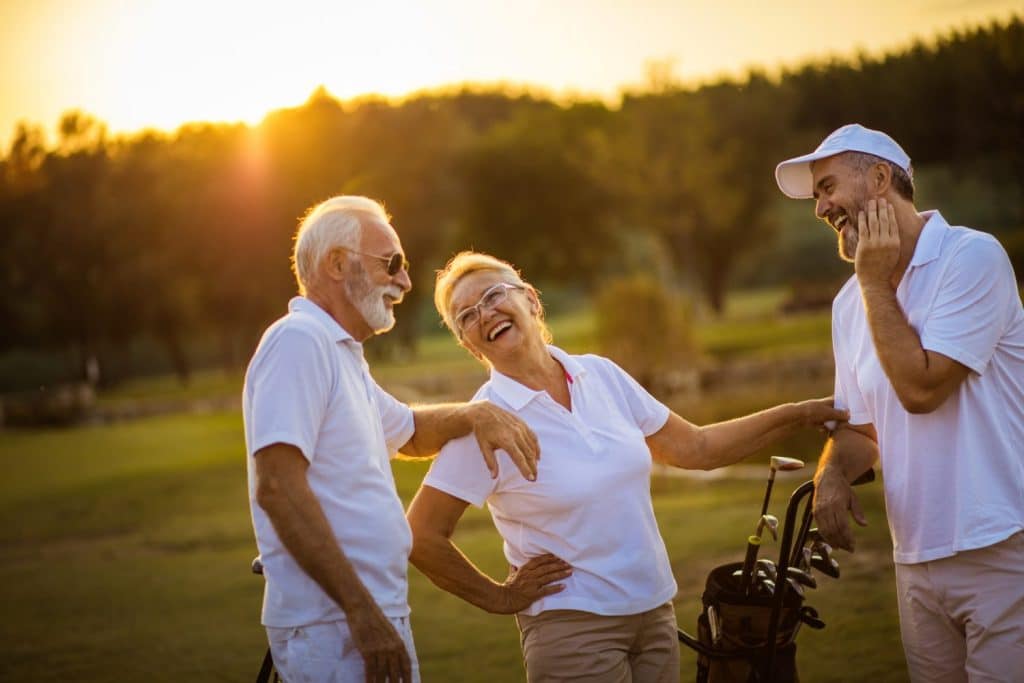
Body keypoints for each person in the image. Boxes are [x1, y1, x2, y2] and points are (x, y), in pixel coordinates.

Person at [406, 251, 848, 682]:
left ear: (531, 300)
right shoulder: (485, 420)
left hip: (654, 612)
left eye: (492, 296)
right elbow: (421, 535)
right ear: (466, 343)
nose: (483, 315)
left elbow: (697, 447)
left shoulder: (601, 375)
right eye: (465, 316)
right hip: (572, 631)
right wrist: (500, 597)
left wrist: (798, 414)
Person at [243, 197, 543, 683]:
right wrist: (361, 613)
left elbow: (409, 432)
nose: (404, 281)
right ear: (338, 264)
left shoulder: (341, 355)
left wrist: (477, 413)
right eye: (393, 264)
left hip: (363, 616)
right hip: (336, 624)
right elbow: (277, 488)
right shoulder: (299, 342)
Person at [775, 123, 1024, 681]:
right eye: (816, 195)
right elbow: (862, 430)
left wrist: (873, 285)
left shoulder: (973, 258)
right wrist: (832, 474)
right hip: (915, 559)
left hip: (1003, 546)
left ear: (881, 179)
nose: (820, 208)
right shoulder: (849, 304)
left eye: (828, 187)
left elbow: (921, 389)